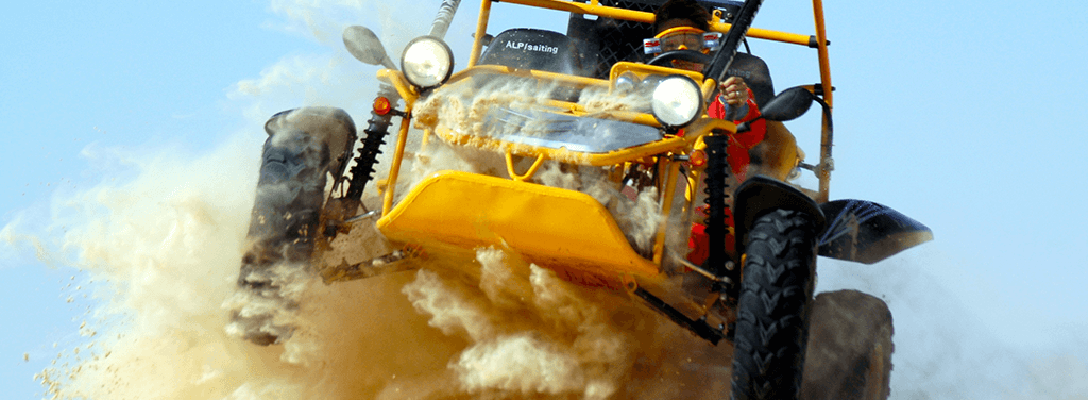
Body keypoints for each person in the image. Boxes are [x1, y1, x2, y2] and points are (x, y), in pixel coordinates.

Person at [649, 0, 768, 266]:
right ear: (656, 50)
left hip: (708, 222)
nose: (680, 54)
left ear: (707, 47)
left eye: (690, 44)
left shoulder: (725, 95)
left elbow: (754, 133)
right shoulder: (637, 92)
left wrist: (738, 104)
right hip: (639, 212)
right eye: (670, 46)